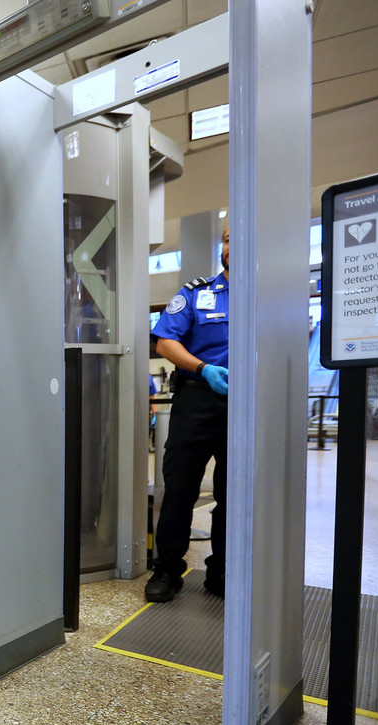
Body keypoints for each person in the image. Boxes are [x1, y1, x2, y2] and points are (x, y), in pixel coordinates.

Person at [145, 225, 230, 603]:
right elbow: (165, 342)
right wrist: (203, 369)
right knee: (180, 489)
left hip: (248, 404)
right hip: (197, 399)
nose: (232, 245)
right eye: (226, 238)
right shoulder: (197, 293)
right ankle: (166, 569)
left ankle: (224, 570)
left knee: (235, 493)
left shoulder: (268, 297)